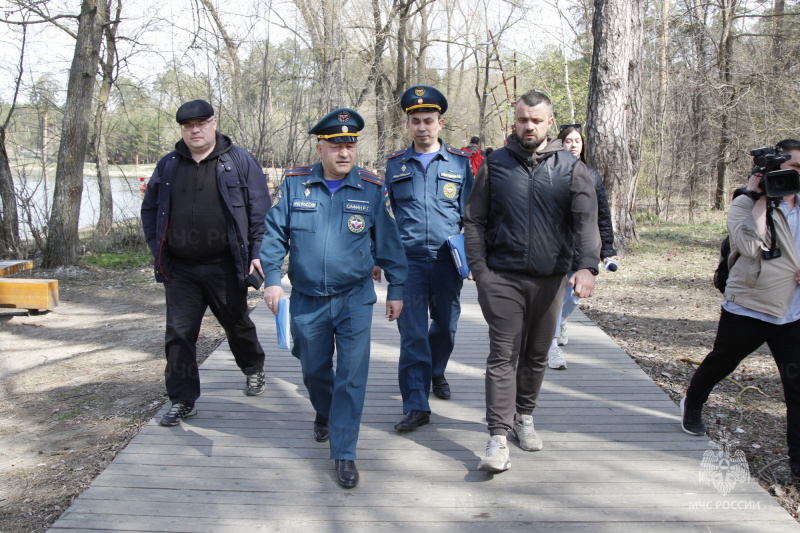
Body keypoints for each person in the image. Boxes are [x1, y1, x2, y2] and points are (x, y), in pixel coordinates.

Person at [260, 108, 408, 489]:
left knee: (352, 376)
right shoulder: (295, 185)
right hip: (307, 299)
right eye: (336, 145)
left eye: (351, 145)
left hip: (354, 299)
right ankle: (324, 412)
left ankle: (344, 452)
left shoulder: (372, 189)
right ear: (320, 148)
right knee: (312, 370)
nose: (345, 152)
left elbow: (390, 245)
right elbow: (274, 235)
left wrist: (397, 289)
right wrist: (273, 280)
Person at [464, 90, 601, 472]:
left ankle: (524, 416)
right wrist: (480, 270)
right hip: (502, 277)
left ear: (549, 124)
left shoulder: (570, 167)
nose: (529, 126)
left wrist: (587, 266)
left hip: (550, 279)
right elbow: (474, 221)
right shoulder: (495, 164)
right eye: (523, 119)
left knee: (537, 354)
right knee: (503, 354)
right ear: (514, 121)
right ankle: (496, 437)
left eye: (536, 120)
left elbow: (586, 222)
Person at [141, 99, 270, 427]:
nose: (195, 130)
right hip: (181, 269)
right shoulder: (168, 165)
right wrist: (159, 246)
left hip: (225, 265)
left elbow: (260, 212)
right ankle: (182, 398)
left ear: (214, 123)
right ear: (182, 129)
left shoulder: (239, 161)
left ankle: (254, 368)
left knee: (237, 325)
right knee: (179, 335)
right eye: (188, 126)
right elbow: (150, 209)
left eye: (201, 124)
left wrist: (258, 252)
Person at [681, 139, 800, 483]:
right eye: (792, 168)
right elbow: (748, 246)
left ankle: (797, 466)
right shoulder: (744, 203)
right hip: (749, 308)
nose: (796, 176)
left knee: (796, 388)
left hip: (791, 314)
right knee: (722, 362)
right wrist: (761, 197)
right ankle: (694, 400)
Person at [380, 85, 474, 432]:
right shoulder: (394, 165)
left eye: (428, 121)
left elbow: (472, 215)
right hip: (407, 264)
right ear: (408, 125)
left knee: (446, 327)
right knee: (413, 334)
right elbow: (384, 216)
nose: (422, 127)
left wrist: (475, 258)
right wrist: (379, 256)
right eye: (416, 121)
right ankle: (416, 403)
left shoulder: (460, 164)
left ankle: (436, 370)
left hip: (447, 260)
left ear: (440, 123)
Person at [547, 123, 617, 370]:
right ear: (560, 144)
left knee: (573, 297)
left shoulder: (592, 174)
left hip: (583, 246)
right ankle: (552, 345)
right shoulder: (551, 171)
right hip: (556, 246)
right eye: (568, 141)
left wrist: (607, 248)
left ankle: (563, 319)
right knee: (554, 296)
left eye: (578, 141)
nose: (573, 145)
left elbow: (602, 215)